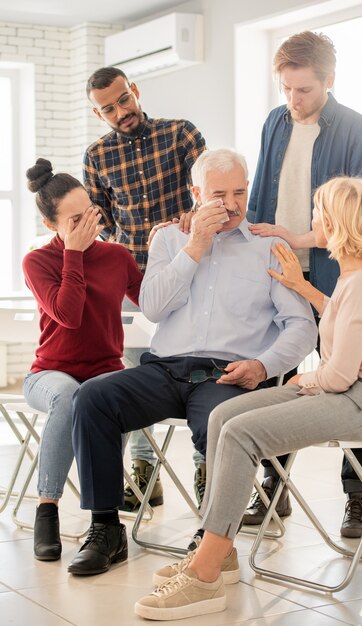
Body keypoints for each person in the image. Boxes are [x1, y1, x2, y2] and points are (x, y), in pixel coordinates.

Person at [134, 175, 362, 621]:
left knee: (243, 433)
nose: (312, 219)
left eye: (319, 212)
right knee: (224, 415)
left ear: (337, 222)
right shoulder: (360, 271)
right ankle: (219, 550)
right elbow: (345, 317)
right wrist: (303, 290)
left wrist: (297, 383)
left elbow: (339, 375)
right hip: (353, 389)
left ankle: (207, 574)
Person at [67, 148, 317, 576]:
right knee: (93, 398)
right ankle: (106, 528)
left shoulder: (268, 245)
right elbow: (153, 308)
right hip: (163, 369)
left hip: (227, 376)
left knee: (224, 424)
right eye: (220, 194)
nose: (234, 203)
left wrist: (263, 366)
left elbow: (301, 326)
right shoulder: (169, 239)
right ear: (196, 194)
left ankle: (212, 538)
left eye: (241, 191)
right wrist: (196, 246)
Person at [244, 30, 362, 536]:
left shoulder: (357, 129)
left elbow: (360, 215)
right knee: (273, 379)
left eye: (303, 90)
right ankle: (272, 486)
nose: (293, 101)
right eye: (286, 89)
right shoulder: (274, 123)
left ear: (330, 80)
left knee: (351, 383)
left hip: (333, 274)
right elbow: (260, 197)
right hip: (279, 272)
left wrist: (299, 236)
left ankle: (357, 496)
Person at [84, 66, 207, 511]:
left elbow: (209, 188)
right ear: (99, 115)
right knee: (137, 377)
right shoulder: (97, 156)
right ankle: (145, 471)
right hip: (133, 285)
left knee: (198, 369)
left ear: (134, 92)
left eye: (122, 100)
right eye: (108, 109)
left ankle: (205, 464)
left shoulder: (180, 134)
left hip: (190, 274)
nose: (120, 112)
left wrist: (197, 210)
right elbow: (100, 224)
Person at [22, 158, 142, 561]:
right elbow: (68, 315)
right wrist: (72, 253)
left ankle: (103, 524)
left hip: (106, 372)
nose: (88, 224)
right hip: (49, 375)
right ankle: (47, 510)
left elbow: (157, 303)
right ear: (50, 225)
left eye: (89, 211)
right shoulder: (37, 262)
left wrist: (174, 247)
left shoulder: (117, 256)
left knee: (104, 395)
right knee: (73, 395)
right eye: (74, 220)